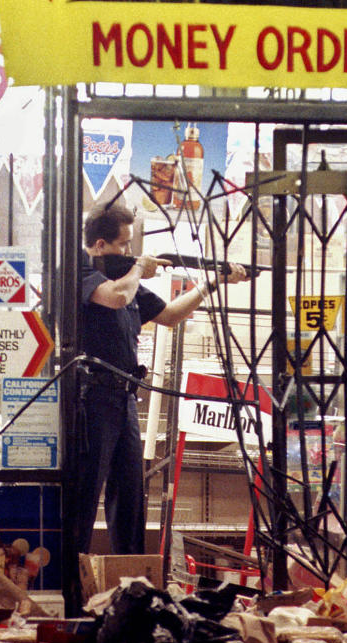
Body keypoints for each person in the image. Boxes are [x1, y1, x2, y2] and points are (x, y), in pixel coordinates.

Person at [76, 202, 247, 555]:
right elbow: (116, 296)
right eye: (123, 245)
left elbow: (169, 315)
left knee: (130, 497)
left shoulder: (126, 280)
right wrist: (139, 267)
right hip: (91, 399)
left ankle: (133, 577)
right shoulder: (83, 272)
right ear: (98, 246)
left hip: (124, 398)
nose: (128, 251)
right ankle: (70, 580)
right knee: (84, 494)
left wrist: (211, 283)